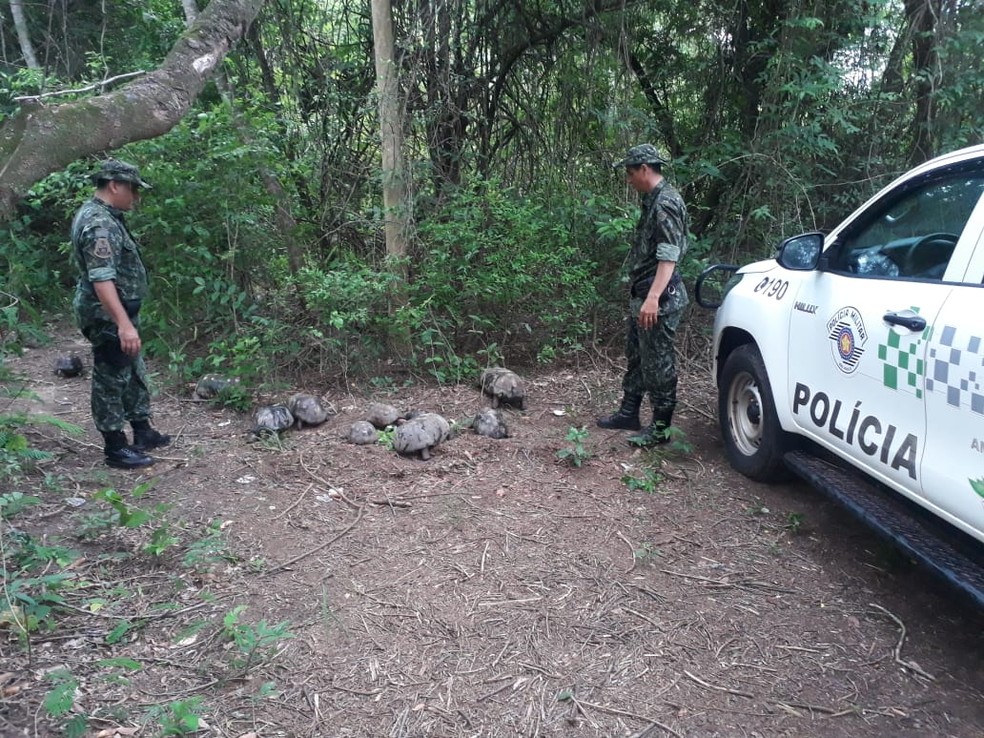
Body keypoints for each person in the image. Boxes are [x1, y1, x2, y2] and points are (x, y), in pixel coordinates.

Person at [71, 159, 170, 469]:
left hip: (120, 312)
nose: (136, 197)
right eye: (133, 189)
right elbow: (102, 279)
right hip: (107, 315)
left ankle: (142, 430)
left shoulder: (108, 217)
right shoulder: (98, 223)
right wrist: (123, 323)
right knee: (111, 376)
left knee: (132, 369)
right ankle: (115, 446)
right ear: (114, 185)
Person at [597, 144, 689, 446]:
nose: (628, 179)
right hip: (645, 294)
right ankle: (628, 413)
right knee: (637, 356)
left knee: (658, 363)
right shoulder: (652, 200)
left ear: (645, 169)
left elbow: (669, 256)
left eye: (630, 172)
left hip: (659, 298)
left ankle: (661, 428)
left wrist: (652, 298)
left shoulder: (666, 203)